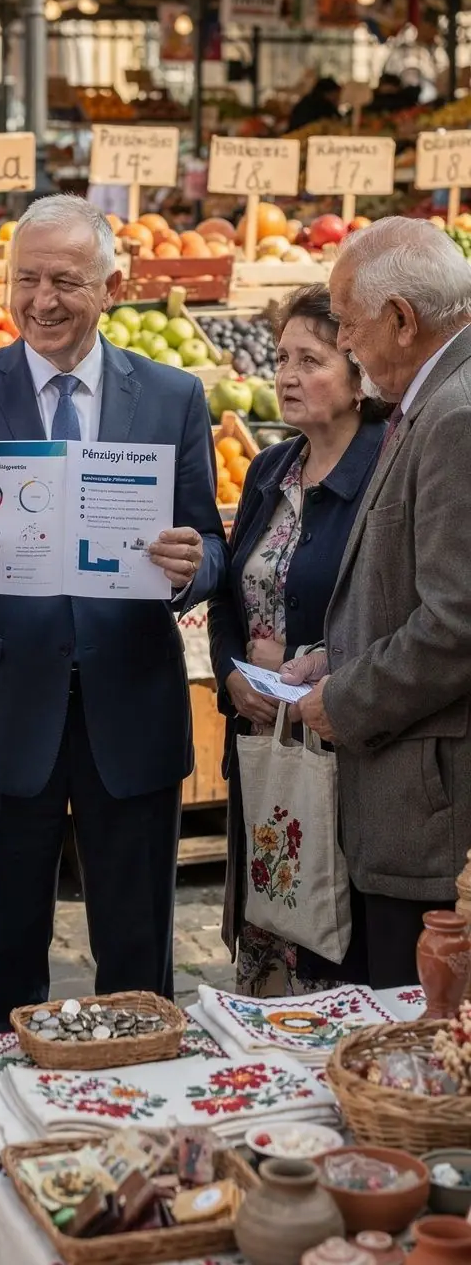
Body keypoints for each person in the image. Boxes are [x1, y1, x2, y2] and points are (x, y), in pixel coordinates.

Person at [0, 194, 227, 1034]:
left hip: (132, 708)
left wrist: (191, 568)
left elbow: (211, 546)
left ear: (112, 286)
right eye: (26, 279)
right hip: (5, 712)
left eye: (66, 282)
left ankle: (140, 1115)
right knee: (4, 957)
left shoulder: (172, 395)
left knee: (139, 957)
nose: (41, 300)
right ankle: (3, 1135)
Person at [283, 217, 471, 988]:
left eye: (351, 326)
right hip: (412, 800)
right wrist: (341, 653)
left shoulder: (455, 415)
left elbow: (456, 623)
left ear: (401, 320)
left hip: (429, 806)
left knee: (411, 1023)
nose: (348, 344)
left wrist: (348, 695)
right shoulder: (437, 401)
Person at [208, 285, 388, 996]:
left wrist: (310, 665)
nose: (285, 374)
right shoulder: (268, 470)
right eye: (281, 357)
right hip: (265, 752)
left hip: (345, 761)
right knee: (273, 926)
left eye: (309, 359)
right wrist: (231, 677)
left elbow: (390, 612)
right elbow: (228, 591)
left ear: (360, 376)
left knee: (337, 952)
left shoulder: (384, 475)